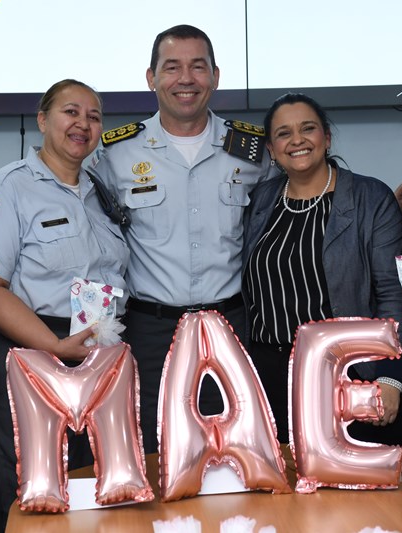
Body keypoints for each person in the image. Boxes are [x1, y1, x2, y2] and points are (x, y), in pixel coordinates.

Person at [87, 24, 272, 454]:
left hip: (233, 326)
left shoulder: (251, 150)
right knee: (159, 451)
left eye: (197, 67)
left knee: (237, 450)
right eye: (172, 67)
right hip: (152, 332)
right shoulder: (117, 154)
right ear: (151, 78)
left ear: (216, 76)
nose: (185, 79)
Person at [0, 79, 129, 526]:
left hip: (97, 353)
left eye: (94, 116)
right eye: (70, 112)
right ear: (42, 121)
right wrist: (54, 347)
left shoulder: (100, 192)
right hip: (34, 351)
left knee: (94, 481)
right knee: (34, 484)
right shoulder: (6, 188)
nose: (83, 124)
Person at [242, 92, 402, 445]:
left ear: (327, 137)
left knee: (349, 494)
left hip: (348, 376)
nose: (297, 140)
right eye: (283, 133)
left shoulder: (370, 198)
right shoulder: (260, 201)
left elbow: (393, 296)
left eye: (308, 128)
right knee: (281, 492)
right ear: (272, 151)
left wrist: (390, 378)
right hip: (268, 378)